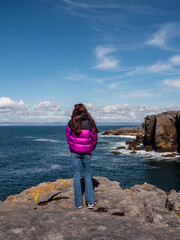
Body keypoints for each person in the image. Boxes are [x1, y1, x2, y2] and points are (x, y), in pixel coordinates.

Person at [66, 103, 99, 209]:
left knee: (76, 176)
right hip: (87, 153)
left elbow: (68, 136)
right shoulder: (90, 122)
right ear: (85, 110)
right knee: (87, 175)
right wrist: (90, 148)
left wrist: (72, 146)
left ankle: (79, 203)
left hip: (74, 152)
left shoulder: (71, 122)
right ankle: (90, 202)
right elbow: (94, 139)